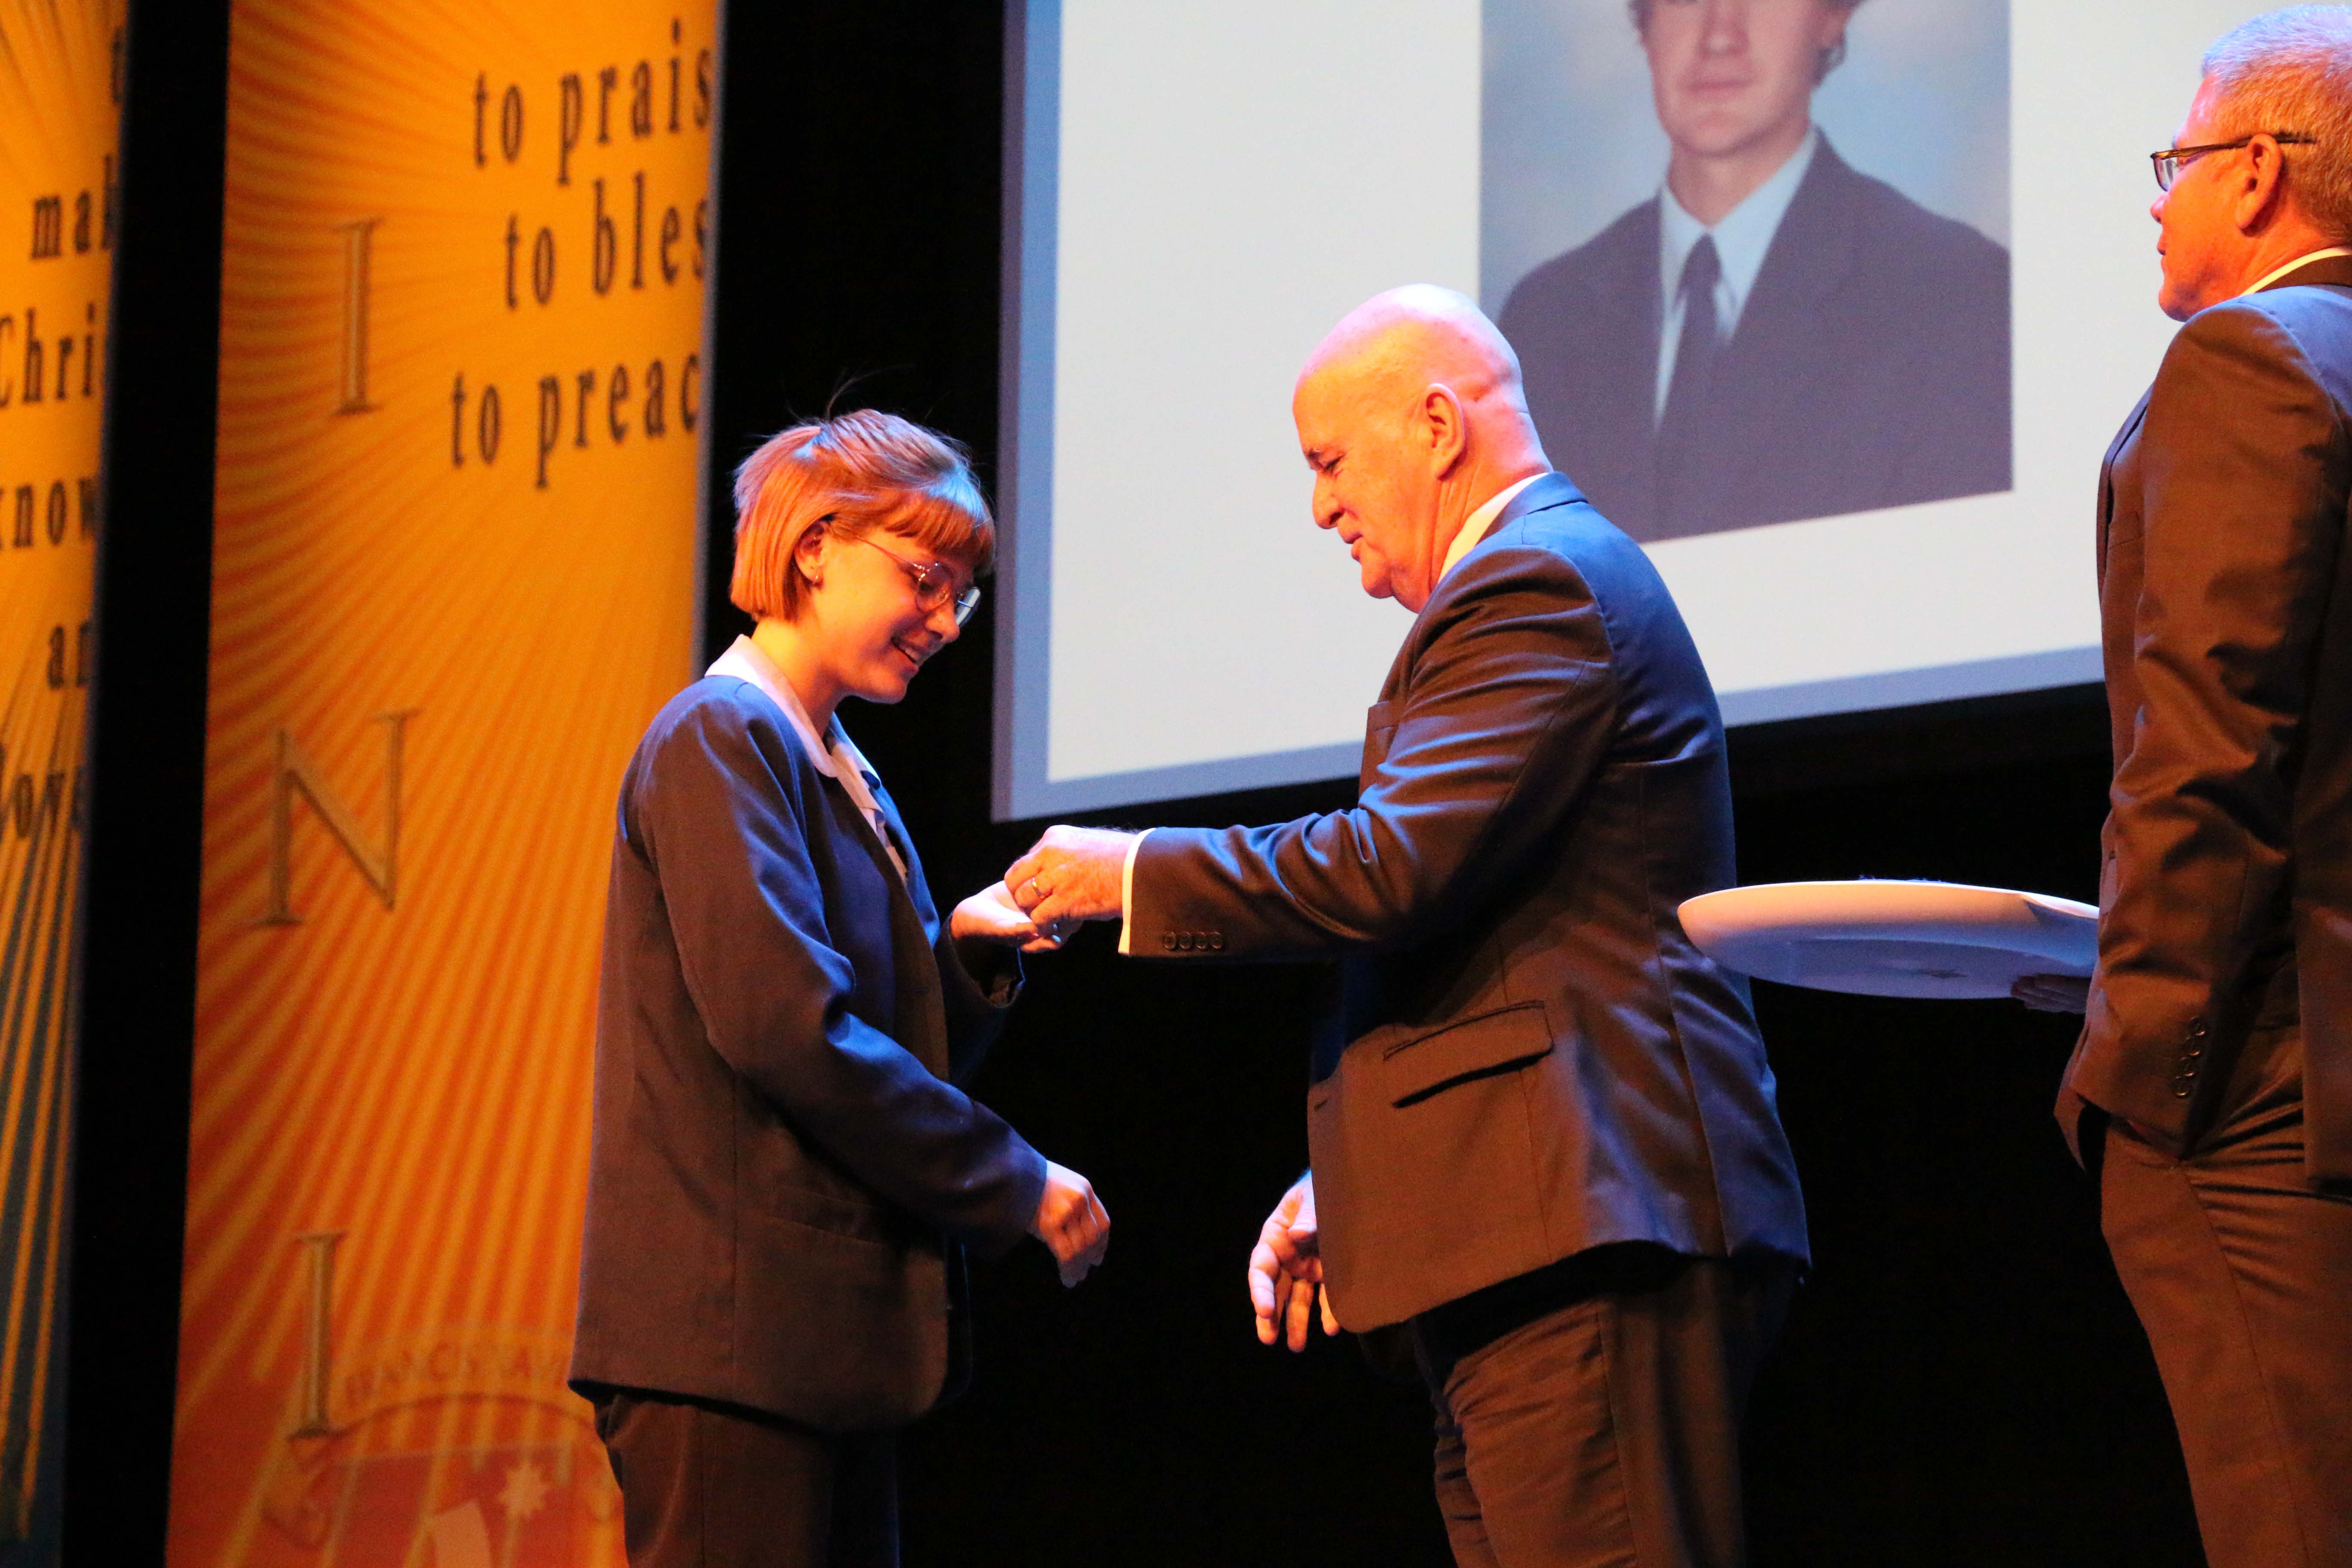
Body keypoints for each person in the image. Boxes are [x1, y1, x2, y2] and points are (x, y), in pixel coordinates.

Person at [1009, 287, 1808, 1568]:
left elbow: (1389, 868)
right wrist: (1364, 1181)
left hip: (1588, 1239)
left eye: (1329, 462)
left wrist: (1133, 871)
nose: (1319, 508)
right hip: (1530, 1242)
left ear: (1436, 427)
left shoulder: (1536, 581)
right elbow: (1506, 945)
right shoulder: (1521, 587)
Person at [568, 410, 1110, 1567]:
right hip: (730, 1347)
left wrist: (963, 953)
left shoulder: (837, 769)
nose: (947, 621)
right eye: (925, 579)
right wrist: (1010, 1177)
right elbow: (790, 1033)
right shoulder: (722, 735)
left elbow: (875, 1039)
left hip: (809, 1348)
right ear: (815, 547)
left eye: (963, 596)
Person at [2014, 12, 2352, 1566]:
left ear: (2261, 171)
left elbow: (2208, 747)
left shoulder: (2247, 360)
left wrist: (2135, 1080)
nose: (2158, 199)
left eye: (2179, 162)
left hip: (2264, 1098)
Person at [1497, 0, 2009, 543]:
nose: (1720, 36)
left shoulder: (1956, 298)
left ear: (1832, 17)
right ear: (1645, 24)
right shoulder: (1543, 321)